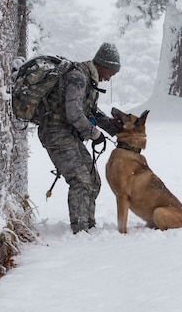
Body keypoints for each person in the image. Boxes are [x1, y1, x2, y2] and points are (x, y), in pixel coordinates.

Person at [37, 42, 122, 234]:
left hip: (68, 133)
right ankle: (80, 230)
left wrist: (114, 130)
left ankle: (88, 225)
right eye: (111, 74)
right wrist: (95, 134)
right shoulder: (78, 77)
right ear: (103, 65)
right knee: (81, 180)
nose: (108, 79)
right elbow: (74, 113)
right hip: (55, 133)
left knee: (93, 180)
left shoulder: (88, 79)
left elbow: (90, 111)